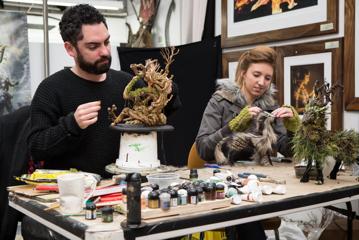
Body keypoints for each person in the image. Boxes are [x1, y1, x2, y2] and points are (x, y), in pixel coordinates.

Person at [22, 4, 180, 239]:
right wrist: (72, 125)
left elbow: (170, 107)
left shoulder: (127, 84)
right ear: (70, 48)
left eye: (106, 42)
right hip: (78, 206)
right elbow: (36, 146)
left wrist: (165, 89)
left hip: (127, 199)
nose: (105, 52)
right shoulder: (51, 89)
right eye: (93, 47)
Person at [195, 45, 300, 240]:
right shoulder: (220, 101)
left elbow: (287, 150)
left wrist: (293, 127)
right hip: (225, 182)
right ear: (243, 73)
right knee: (246, 218)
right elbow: (203, 149)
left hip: (260, 182)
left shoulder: (270, 107)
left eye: (267, 78)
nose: (262, 82)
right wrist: (233, 126)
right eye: (256, 75)